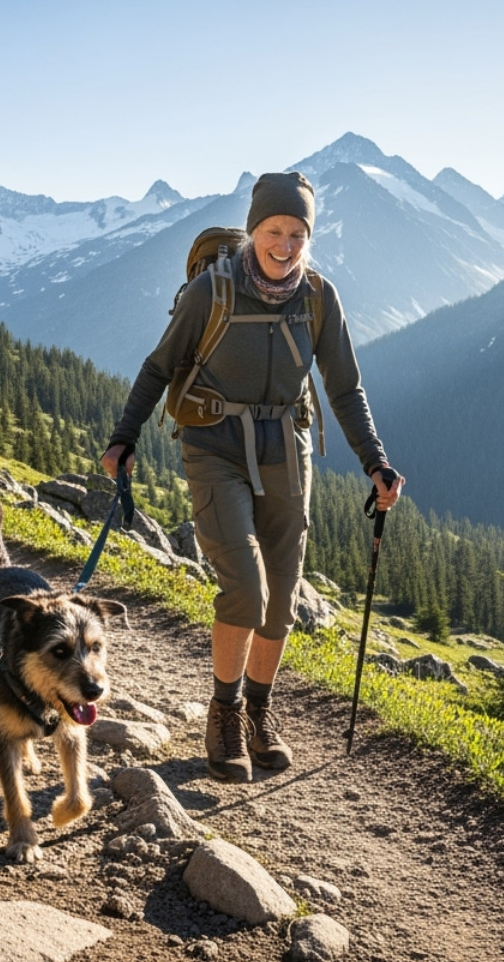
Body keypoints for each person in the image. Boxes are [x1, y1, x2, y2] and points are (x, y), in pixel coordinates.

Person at [101, 171, 404, 782]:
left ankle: (260, 713)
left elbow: (345, 387)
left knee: (283, 595)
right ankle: (225, 710)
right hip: (213, 444)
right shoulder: (210, 293)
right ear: (253, 230)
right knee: (245, 585)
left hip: (286, 448)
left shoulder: (319, 297)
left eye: (297, 233)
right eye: (273, 230)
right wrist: (124, 436)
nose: (285, 244)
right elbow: (159, 366)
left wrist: (375, 460)